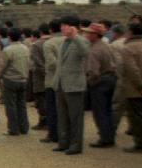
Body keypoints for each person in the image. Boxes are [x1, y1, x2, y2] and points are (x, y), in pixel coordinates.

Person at [52, 15, 90, 155]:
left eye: (64, 25)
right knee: (62, 115)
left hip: (74, 84)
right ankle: (63, 142)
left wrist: (75, 36)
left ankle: (76, 144)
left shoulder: (81, 40)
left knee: (75, 117)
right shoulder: (63, 42)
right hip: (61, 83)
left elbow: (86, 53)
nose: (62, 28)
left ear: (73, 27)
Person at [121, 23, 142, 154]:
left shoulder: (128, 48)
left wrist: (141, 86)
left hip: (134, 88)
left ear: (130, 32)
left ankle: (140, 143)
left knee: (136, 117)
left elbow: (132, 69)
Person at [83, 23, 118, 148]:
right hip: (111, 78)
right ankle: (109, 135)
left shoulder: (94, 50)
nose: (86, 35)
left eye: (88, 33)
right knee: (108, 110)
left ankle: (105, 138)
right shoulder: (106, 45)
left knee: (100, 111)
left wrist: (91, 83)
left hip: (100, 81)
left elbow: (93, 71)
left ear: (95, 35)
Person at [0, 29, 30, 136]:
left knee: (11, 105)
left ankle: (13, 128)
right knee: (22, 104)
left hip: (11, 79)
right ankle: (24, 127)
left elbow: (2, 66)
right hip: (23, 78)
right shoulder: (25, 48)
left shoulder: (8, 50)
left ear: (9, 37)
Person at [40, 19, 65, 145]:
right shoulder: (67, 40)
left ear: (50, 29)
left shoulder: (49, 43)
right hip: (67, 79)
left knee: (52, 109)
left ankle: (53, 133)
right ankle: (65, 133)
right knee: (65, 109)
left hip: (52, 79)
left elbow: (51, 63)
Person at [30, 24, 50, 130]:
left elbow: (37, 62)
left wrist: (44, 72)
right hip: (52, 76)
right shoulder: (54, 42)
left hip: (40, 77)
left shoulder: (36, 45)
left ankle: (43, 121)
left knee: (41, 100)